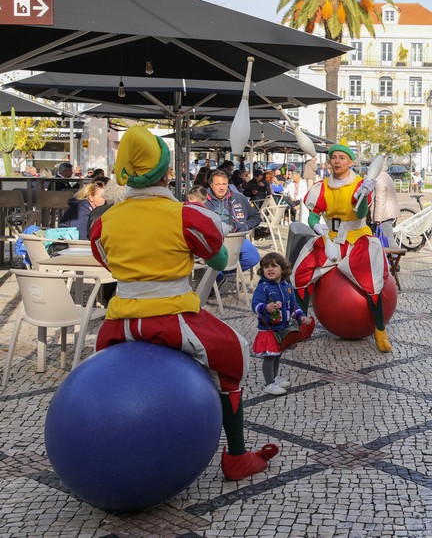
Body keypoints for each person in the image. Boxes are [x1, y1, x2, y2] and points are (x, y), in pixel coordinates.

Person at [90, 126, 278, 481]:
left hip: (118, 322)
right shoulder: (186, 215)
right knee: (234, 353)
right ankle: (237, 456)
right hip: (171, 316)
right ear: (167, 171)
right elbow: (218, 258)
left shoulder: (104, 222)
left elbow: (106, 261)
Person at [292, 144, 392, 353]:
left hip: (357, 237)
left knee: (372, 281)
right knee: (300, 273)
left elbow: (360, 213)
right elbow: (313, 214)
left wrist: (364, 195)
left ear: (351, 162)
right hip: (329, 237)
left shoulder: (359, 185)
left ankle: (380, 331)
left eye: (342, 158)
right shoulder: (322, 186)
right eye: (333, 158)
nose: (336, 162)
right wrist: (316, 225)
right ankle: (301, 325)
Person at [251, 252, 312, 396]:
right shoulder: (263, 287)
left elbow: (294, 306)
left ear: (283, 269)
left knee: (278, 354)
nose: (270, 269)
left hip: (282, 328)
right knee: (270, 356)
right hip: (269, 330)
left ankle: (275, 378)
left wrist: (301, 316)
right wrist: (265, 308)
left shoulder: (287, 287)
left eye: (274, 266)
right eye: (266, 267)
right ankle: (269, 383)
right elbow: (255, 305)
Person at [205, 170, 261, 272]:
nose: (221, 187)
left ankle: (226, 272)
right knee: (212, 261)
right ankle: (215, 277)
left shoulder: (239, 197)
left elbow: (256, 216)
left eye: (224, 184)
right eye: (217, 184)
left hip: (236, 236)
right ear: (211, 185)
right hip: (211, 240)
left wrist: (245, 227)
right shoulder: (202, 200)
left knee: (252, 257)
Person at [372, 169, 400, 247]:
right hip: (389, 212)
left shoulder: (378, 179)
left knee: (388, 239)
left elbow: (380, 200)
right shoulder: (385, 175)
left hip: (384, 215)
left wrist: (378, 219)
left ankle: (395, 257)